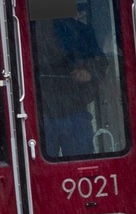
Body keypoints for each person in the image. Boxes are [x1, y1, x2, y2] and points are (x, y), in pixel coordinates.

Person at [32, 15, 107, 158]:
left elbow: (101, 63)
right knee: (40, 172)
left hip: (74, 110)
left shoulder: (80, 31)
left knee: (80, 167)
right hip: (41, 113)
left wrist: (89, 73)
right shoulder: (27, 33)